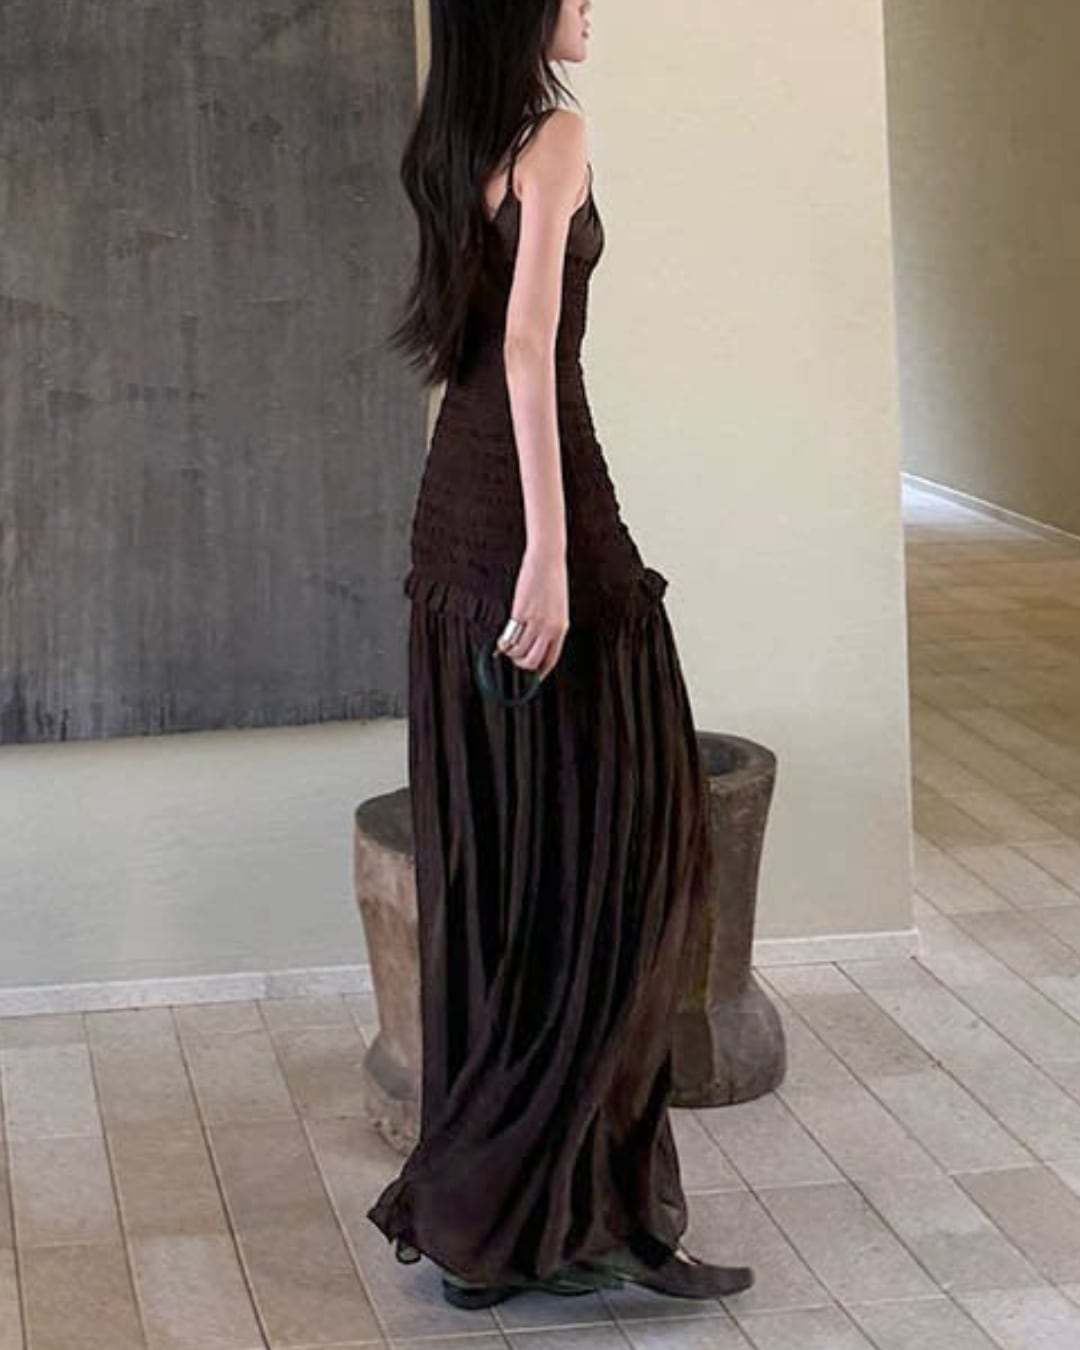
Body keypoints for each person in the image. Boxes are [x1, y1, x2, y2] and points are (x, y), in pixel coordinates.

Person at [366, 0, 754, 1310]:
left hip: (455, 515)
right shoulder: (556, 134)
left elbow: (473, 355)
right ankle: (579, 1212)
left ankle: (501, 1223)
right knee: (618, 862)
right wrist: (547, 555)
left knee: (506, 871)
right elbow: (528, 347)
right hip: (541, 517)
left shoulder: (453, 139)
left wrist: (515, 545)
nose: (593, 4)